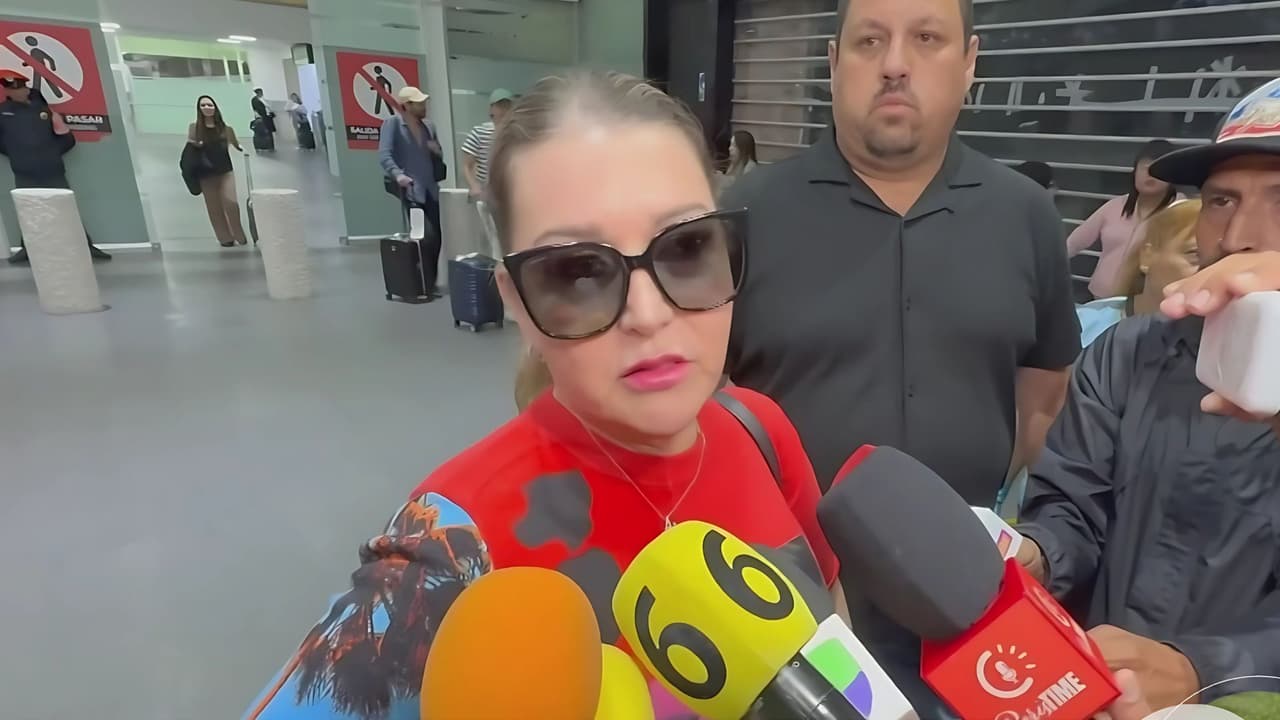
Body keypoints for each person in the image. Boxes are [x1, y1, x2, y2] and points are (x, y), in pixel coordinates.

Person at [245, 71, 844, 720]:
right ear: (518, 304)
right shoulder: (450, 544)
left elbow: (835, 636)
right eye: (578, 271)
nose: (648, 314)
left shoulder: (760, 430)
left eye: (687, 246)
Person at [721, 0, 1080, 712]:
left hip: (972, 610)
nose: (894, 64)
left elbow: (1043, 396)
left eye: (926, 39)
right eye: (869, 41)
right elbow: (706, 401)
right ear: (833, 63)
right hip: (786, 607)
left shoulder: (1025, 214)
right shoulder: (750, 211)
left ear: (969, 63)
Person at [1015, 76, 1280, 712]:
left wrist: (1201, 670)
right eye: (1220, 200)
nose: (1238, 236)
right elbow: (1072, 507)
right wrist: (1034, 556)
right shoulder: (1128, 352)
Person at [0, 70, 110, 263]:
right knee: (28, 211)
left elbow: (67, 139)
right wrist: (19, 154)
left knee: (66, 209)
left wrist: (49, 153)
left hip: (52, 169)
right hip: (24, 170)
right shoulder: (2, 112)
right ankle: (27, 249)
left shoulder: (46, 111)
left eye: (18, 88)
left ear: (26, 89)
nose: (15, 92)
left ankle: (86, 246)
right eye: (10, 89)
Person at [1067, 140, 1180, 299]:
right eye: (1145, 167)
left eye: (1160, 168)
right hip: (1100, 300)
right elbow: (1074, 243)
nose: (1151, 174)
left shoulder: (1182, 211)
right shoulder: (1115, 206)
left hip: (1147, 303)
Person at [379, 85, 444, 295]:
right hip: (412, 191)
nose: (424, 107)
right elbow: (384, 155)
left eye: (423, 103)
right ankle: (421, 281)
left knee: (436, 237)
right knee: (424, 236)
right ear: (406, 105)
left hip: (431, 190)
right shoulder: (393, 124)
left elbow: (437, 154)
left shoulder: (429, 126)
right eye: (419, 104)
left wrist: (436, 150)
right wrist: (398, 174)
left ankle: (429, 281)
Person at [187, 95, 249, 247]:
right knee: (214, 207)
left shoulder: (226, 129)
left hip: (225, 171)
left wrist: (243, 149)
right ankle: (225, 238)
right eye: (203, 105)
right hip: (206, 173)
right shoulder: (194, 128)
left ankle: (239, 234)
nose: (207, 108)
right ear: (199, 109)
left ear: (215, 107)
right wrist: (196, 145)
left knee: (231, 203)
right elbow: (190, 147)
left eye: (210, 105)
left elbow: (236, 144)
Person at [461, 88, 514, 257]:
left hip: (509, 194)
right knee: (495, 239)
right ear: (492, 109)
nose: (504, 110)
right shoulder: (479, 132)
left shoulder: (515, 133)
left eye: (507, 105)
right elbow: (467, 165)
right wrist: (474, 186)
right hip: (488, 195)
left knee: (511, 237)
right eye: (500, 105)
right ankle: (498, 268)